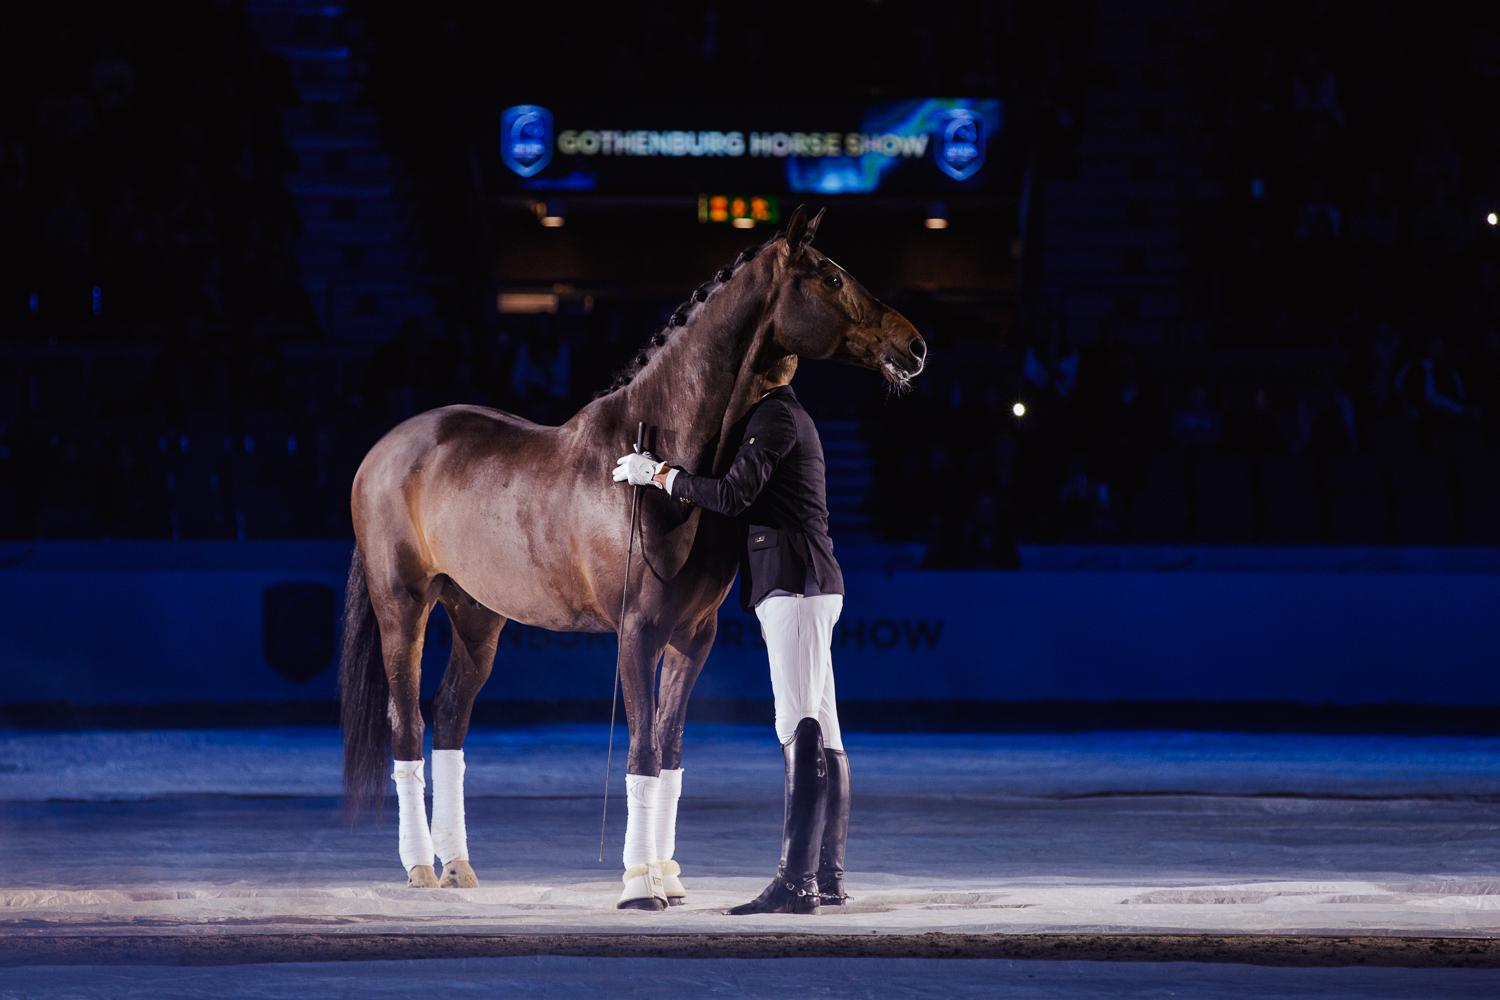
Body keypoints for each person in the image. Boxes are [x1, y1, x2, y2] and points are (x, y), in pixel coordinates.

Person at [612, 354, 850, 915]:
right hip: (808, 581)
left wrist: (661, 477)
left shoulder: (774, 417)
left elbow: (734, 495)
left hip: (794, 583)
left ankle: (796, 885)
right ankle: (826, 877)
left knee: (798, 726)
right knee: (827, 730)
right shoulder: (787, 416)